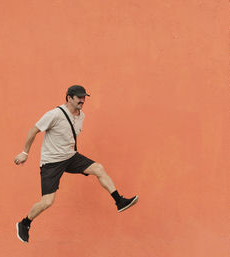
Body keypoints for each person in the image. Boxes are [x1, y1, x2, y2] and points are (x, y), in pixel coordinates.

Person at [14, 85, 138, 243]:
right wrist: (24, 153)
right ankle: (25, 223)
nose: (82, 100)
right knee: (47, 201)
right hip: (52, 162)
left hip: (70, 157)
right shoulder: (54, 114)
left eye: (84, 97)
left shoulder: (81, 116)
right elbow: (33, 130)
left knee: (98, 168)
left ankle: (119, 201)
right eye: (79, 97)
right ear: (69, 98)